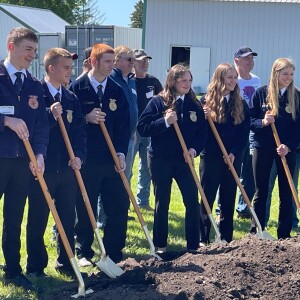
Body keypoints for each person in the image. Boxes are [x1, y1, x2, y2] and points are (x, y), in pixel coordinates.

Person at [26, 48, 86, 278]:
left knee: (67, 217)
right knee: (38, 217)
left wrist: (79, 155)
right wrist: (49, 115)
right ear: (51, 68)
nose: (71, 72)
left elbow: (79, 130)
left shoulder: (71, 98)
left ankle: (66, 261)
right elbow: (32, 129)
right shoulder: (35, 94)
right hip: (43, 168)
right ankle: (36, 266)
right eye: (67, 68)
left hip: (67, 169)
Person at [70, 43, 130, 264]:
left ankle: (114, 252)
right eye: (107, 61)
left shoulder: (117, 90)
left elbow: (125, 126)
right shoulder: (78, 88)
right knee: (86, 205)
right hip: (87, 159)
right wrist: (86, 118)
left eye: (113, 62)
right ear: (93, 62)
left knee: (118, 206)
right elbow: (69, 122)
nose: (111, 66)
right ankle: (84, 250)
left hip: (112, 159)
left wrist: (122, 153)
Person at [137, 64, 207, 252]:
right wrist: (164, 122)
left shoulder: (194, 104)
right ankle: (160, 245)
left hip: (185, 160)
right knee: (163, 202)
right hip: (161, 160)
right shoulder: (159, 102)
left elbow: (202, 132)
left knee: (192, 200)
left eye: (189, 80)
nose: (187, 84)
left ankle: (193, 244)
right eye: (183, 80)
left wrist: (194, 149)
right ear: (173, 81)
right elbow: (142, 127)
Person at [0, 27, 48, 290]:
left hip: (22, 162)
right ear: (11, 46)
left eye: (35, 51)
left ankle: (13, 270)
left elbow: (41, 125)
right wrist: (5, 120)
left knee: (14, 217)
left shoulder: (33, 84)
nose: (32, 55)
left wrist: (39, 153)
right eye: (27, 49)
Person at [250, 58, 300, 239]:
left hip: (286, 150)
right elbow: (250, 121)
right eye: (285, 74)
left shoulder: (296, 96)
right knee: (261, 191)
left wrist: (289, 146)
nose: (288, 77)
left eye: (291, 74)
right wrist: (263, 122)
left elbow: (298, 127)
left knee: (286, 192)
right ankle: (257, 231)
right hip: (263, 148)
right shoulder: (261, 94)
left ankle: (284, 234)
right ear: (276, 73)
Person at [199, 63, 250, 243]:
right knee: (207, 198)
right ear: (220, 79)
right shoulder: (206, 103)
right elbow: (199, 132)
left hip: (232, 158)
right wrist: (203, 118)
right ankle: (203, 238)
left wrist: (234, 153)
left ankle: (226, 238)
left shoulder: (241, 103)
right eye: (229, 77)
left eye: (235, 78)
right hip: (211, 157)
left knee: (228, 199)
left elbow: (244, 132)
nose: (233, 81)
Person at [132, 49, 163, 210]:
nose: (144, 63)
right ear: (133, 63)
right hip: (132, 129)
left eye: (146, 60)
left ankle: (142, 201)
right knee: (127, 165)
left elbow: (163, 102)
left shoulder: (154, 82)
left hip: (149, 129)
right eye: (140, 60)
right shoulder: (129, 81)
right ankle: (124, 201)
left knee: (146, 166)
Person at [233, 46, 261, 218]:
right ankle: (222, 208)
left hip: (251, 128)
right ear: (237, 61)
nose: (251, 61)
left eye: (252, 58)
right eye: (246, 58)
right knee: (231, 169)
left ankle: (243, 208)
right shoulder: (232, 79)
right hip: (235, 128)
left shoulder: (256, 80)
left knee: (249, 171)